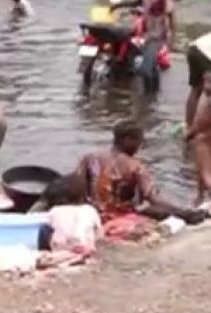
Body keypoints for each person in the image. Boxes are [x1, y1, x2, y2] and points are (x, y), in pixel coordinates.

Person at [76, 122, 204, 227]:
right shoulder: (135, 166)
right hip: (122, 216)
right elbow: (153, 198)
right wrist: (183, 212)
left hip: (94, 214)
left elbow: (75, 187)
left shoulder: (90, 158)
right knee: (154, 210)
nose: (139, 146)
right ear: (127, 140)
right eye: (139, 141)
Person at [111, 0, 173, 93]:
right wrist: (119, 5)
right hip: (147, 33)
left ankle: (149, 95)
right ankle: (152, 94)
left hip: (157, 34)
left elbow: (170, 15)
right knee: (150, 65)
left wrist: (171, 35)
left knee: (145, 69)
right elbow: (137, 2)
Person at [38, 173, 103, 254]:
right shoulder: (90, 210)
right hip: (85, 248)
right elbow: (99, 233)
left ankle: (44, 252)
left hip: (62, 249)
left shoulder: (55, 211)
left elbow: (46, 226)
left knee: (44, 228)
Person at [185, 72, 211, 206]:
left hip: (203, 139)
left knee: (205, 173)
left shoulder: (207, 102)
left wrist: (189, 133)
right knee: (202, 170)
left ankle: (202, 196)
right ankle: (200, 197)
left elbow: (199, 122)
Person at [186, 32, 211, 128]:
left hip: (194, 49)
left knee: (196, 90)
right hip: (205, 54)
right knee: (207, 89)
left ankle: (189, 125)